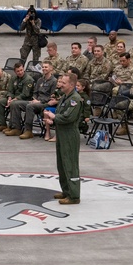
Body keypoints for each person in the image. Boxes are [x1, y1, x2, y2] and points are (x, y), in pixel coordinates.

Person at [44, 74, 84, 205]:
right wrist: (52, 120)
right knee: (61, 164)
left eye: (64, 83)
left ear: (72, 85)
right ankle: (66, 190)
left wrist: (53, 117)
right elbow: (62, 114)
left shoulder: (75, 99)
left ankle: (74, 195)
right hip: (61, 133)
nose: (61, 85)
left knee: (70, 165)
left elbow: (68, 117)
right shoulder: (65, 98)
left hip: (69, 135)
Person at [8, 61, 58, 138]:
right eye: (43, 67)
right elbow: (35, 92)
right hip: (35, 101)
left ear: (51, 68)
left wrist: (39, 101)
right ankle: (16, 128)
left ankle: (28, 131)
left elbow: (52, 96)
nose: (44, 68)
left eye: (46, 67)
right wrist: (34, 98)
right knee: (15, 103)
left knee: (29, 106)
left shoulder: (54, 81)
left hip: (44, 103)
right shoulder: (40, 80)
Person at [0, 63, 34, 136]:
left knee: (14, 104)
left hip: (24, 99)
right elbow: (10, 90)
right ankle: (2, 124)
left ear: (24, 69)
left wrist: (14, 99)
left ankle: (16, 128)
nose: (20, 72)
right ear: (15, 72)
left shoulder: (28, 79)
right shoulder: (14, 78)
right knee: (0, 102)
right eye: (18, 71)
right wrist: (9, 98)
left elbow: (25, 94)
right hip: (14, 98)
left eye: (21, 70)